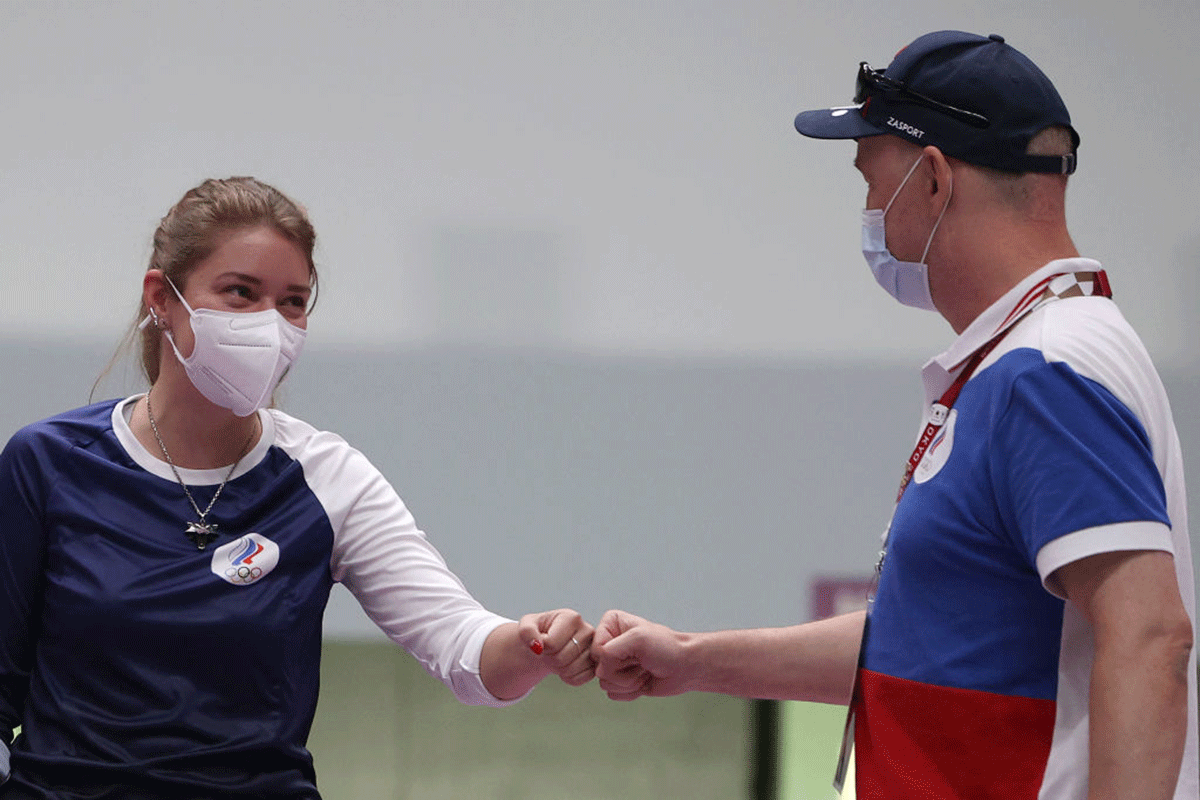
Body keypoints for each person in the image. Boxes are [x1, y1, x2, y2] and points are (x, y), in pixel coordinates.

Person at [592, 30, 1197, 800]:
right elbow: (924, 646)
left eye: (872, 182)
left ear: (935, 181)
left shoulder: (1048, 373)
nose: (871, 211)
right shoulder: (1014, 366)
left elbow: (1150, 638)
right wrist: (689, 654)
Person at [0, 177, 595, 798]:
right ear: (162, 298)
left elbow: (462, 644)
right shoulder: (47, 463)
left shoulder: (328, 476)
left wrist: (534, 647)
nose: (270, 325)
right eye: (240, 293)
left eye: (292, 302)